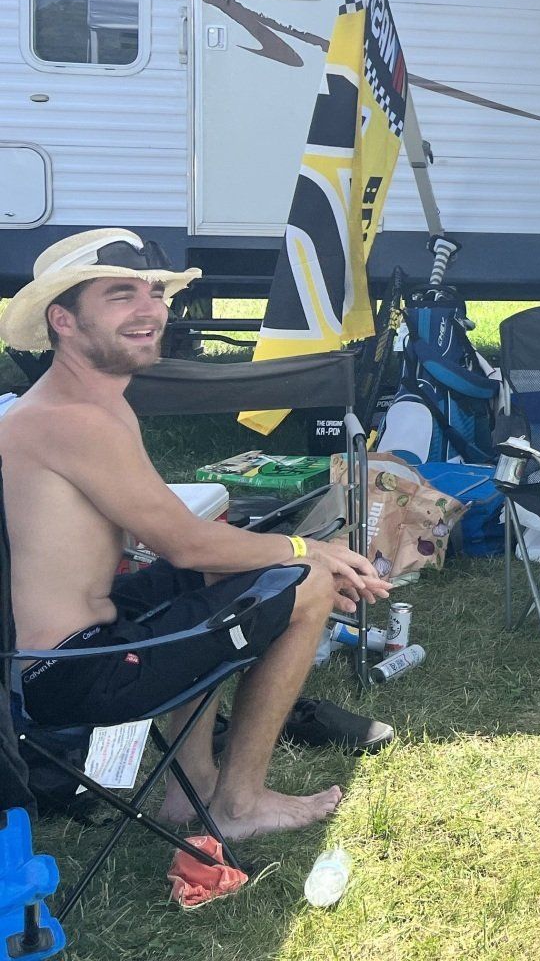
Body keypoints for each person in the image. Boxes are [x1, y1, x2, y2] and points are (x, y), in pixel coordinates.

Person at [0, 229, 390, 840]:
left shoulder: (86, 404)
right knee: (306, 582)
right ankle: (238, 806)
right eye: (120, 295)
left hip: (64, 645)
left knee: (234, 570)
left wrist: (262, 563)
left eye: (155, 293)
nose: (150, 310)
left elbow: (162, 537)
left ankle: (193, 790)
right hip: (68, 672)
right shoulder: (69, 420)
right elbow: (186, 542)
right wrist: (309, 550)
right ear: (64, 321)